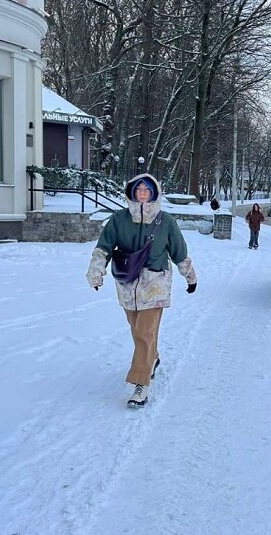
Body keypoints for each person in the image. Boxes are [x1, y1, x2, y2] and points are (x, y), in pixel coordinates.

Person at [86, 173, 197, 409]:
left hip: (155, 285)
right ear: (132, 192)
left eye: (148, 190)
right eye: (139, 189)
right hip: (127, 286)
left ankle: (141, 383)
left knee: (143, 334)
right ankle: (152, 358)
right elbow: (103, 248)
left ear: (155, 193)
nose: (143, 193)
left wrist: (190, 276)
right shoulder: (118, 219)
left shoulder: (165, 221)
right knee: (138, 330)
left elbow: (179, 251)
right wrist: (96, 272)